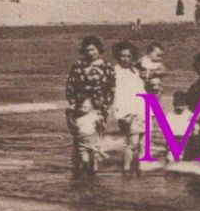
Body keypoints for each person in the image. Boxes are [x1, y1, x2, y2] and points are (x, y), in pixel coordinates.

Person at [64, 35, 113, 175]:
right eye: (87, 50)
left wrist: (105, 109)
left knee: (96, 141)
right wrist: (72, 103)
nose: (90, 53)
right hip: (81, 108)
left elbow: (111, 89)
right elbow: (70, 86)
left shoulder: (107, 67)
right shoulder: (78, 66)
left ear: (99, 49)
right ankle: (78, 171)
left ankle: (93, 172)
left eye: (93, 50)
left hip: (98, 108)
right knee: (79, 139)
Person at [109, 40, 153, 172]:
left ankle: (140, 169)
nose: (125, 59)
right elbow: (115, 95)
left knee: (145, 144)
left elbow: (144, 90)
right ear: (117, 56)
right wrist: (120, 115)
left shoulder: (136, 70)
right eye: (122, 55)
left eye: (128, 56)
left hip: (144, 110)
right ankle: (126, 170)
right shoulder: (113, 72)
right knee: (133, 143)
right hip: (129, 113)